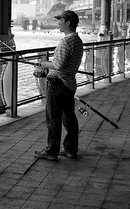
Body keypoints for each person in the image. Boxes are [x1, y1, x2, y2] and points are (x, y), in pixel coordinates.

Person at [33, 10, 84, 161]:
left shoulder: (66, 42)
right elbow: (65, 65)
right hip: (69, 84)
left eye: (60, 20)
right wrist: (46, 72)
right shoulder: (78, 41)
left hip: (58, 85)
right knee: (68, 117)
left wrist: (43, 64)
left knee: (53, 119)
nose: (58, 23)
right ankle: (70, 149)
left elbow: (58, 65)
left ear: (68, 23)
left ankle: (51, 152)